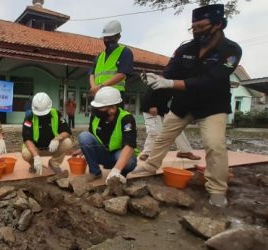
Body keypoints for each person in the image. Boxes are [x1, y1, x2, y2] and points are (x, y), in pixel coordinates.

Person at [137, 4, 242, 208]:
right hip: (184, 103)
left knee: (214, 145)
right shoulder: (186, 48)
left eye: (202, 26)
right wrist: (158, 78)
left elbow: (211, 79)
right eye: (193, 27)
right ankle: (150, 166)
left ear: (218, 24)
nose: (197, 31)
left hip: (213, 105)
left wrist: (172, 83)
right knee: (164, 136)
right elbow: (171, 72)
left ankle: (217, 189)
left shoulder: (231, 50)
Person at [73, 87, 137, 184]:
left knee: (130, 162)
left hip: (117, 156)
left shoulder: (126, 119)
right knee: (84, 136)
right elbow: (91, 136)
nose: (97, 110)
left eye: (101, 108)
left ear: (112, 109)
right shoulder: (95, 116)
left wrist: (116, 169)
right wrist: (84, 149)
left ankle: (118, 175)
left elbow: (130, 145)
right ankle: (95, 173)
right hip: (102, 153)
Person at [140, 88, 201, 161]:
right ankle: (146, 153)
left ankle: (185, 152)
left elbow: (179, 100)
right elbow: (150, 91)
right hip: (149, 108)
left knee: (177, 128)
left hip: (163, 110)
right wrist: (151, 105)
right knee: (154, 132)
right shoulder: (163, 78)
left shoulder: (178, 86)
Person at [22, 93, 72, 175]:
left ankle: (54, 163)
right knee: (26, 154)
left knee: (67, 142)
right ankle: (34, 164)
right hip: (36, 149)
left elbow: (67, 131)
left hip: (52, 147)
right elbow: (27, 138)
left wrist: (57, 138)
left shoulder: (56, 114)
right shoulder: (29, 117)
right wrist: (36, 156)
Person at [89, 20, 134, 105]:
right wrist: (94, 87)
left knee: (114, 118)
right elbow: (92, 73)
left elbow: (122, 74)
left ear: (118, 37)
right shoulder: (100, 56)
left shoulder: (125, 52)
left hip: (115, 95)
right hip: (99, 95)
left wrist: (100, 87)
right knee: (96, 118)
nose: (107, 40)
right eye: (105, 37)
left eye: (110, 37)